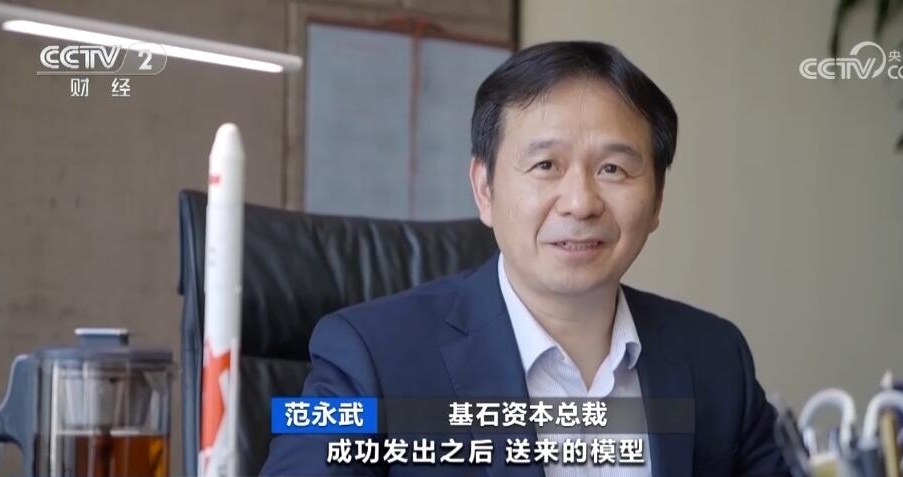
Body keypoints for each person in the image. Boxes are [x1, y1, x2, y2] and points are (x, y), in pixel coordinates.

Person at [261, 40, 787, 477]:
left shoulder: (717, 359)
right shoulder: (363, 356)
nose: (580, 202)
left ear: (657, 201)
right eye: (545, 165)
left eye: (613, 169)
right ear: (484, 188)